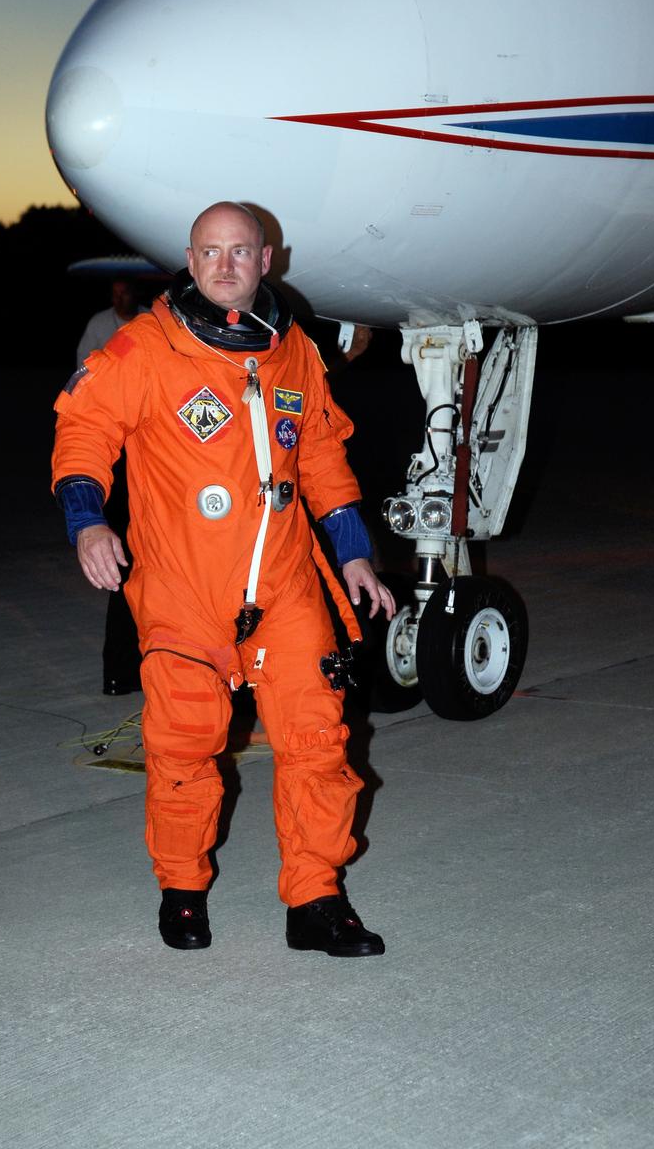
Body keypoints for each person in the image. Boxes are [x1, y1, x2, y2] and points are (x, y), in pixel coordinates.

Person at [52, 202, 395, 957]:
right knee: (185, 747)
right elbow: (83, 430)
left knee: (317, 742)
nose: (226, 265)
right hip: (184, 590)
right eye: (211, 251)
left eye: (241, 252)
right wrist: (88, 520)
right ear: (189, 256)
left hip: (284, 585)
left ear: (267, 259)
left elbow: (322, 457)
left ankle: (316, 899)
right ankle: (182, 890)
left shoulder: (293, 351)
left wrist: (356, 554)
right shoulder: (145, 350)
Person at [75, 280, 144, 695]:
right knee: (126, 568)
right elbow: (85, 384)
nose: (122, 295)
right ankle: (119, 673)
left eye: (127, 289)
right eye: (115, 290)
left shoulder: (150, 325)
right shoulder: (103, 328)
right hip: (116, 462)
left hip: (148, 462)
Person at [76, 280, 140, 364]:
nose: (119, 299)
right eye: (115, 294)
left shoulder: (151, 318)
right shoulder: (98, 322)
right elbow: (82, 359)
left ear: (135, 293)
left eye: (124, 293)